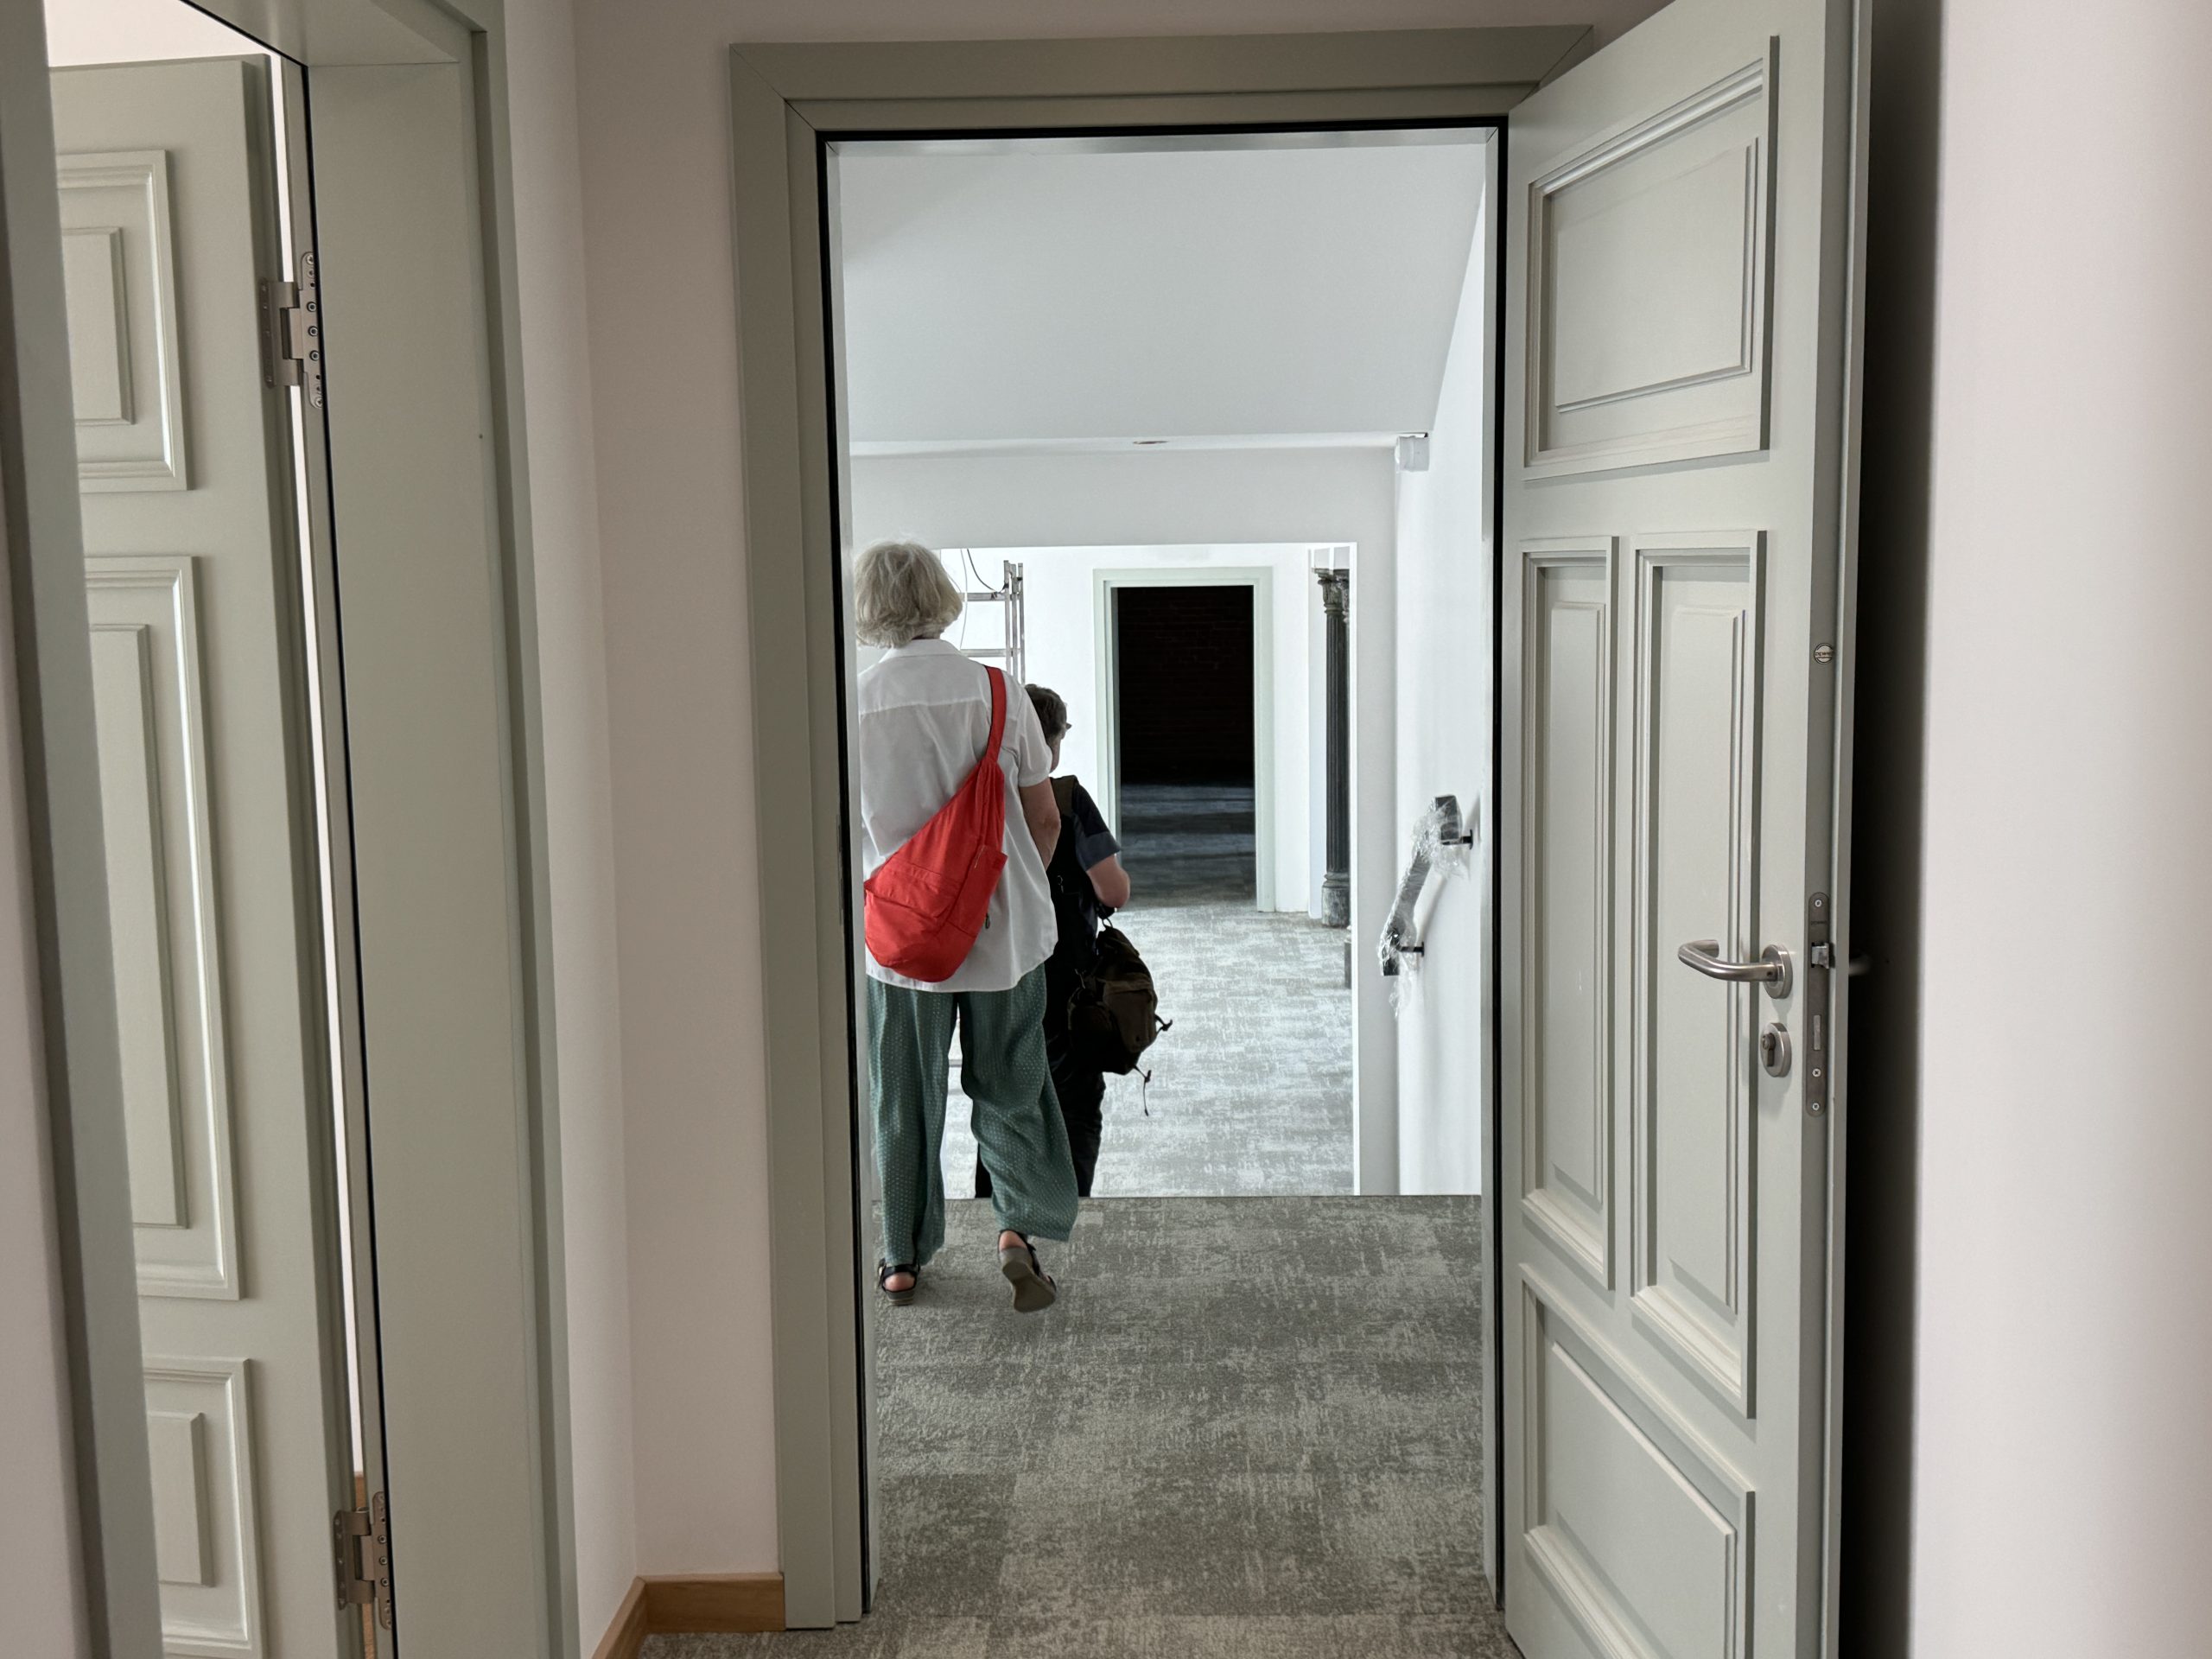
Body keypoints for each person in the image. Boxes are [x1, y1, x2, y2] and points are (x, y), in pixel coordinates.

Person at [853, 539, 1077, 1313]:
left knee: (903, 1095)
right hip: (1003, 935)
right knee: (1012, 1081)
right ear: (944, 598)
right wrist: (1010, 892)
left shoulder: (855, 704)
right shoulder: (999, 692)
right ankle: (1016, 1231)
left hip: (901, 945)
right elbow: (1044, 819)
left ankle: (901, 1257)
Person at [976, 684, 1129, 1201]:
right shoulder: (1067, 799)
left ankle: (996, 1216)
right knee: (1075, 1104)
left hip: (997, 968)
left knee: (1001, 1101)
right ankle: (1069, 1211)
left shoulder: (982, 793)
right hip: (1067, 983)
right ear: (1054, 742)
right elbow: (1114, 891)